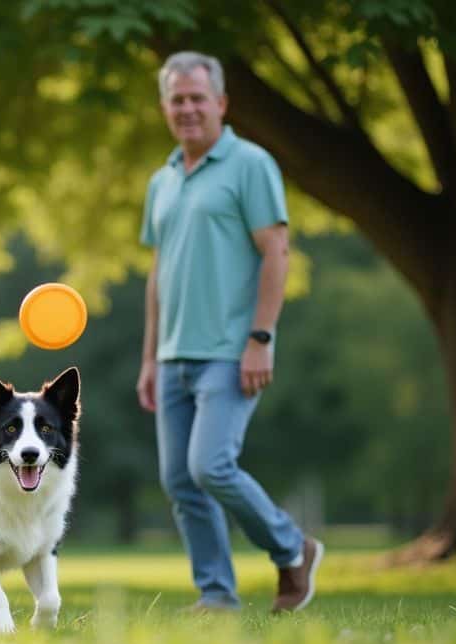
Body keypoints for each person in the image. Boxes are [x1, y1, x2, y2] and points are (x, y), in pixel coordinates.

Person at [136, 52, 323, 613]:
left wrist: (260, 338)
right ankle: (217, 595)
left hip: (231, 351)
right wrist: (149, 358)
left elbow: (277, 252)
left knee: (210, 465)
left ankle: (293, 547)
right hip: (172, 357)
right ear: (165, 107)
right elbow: (158, 275)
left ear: (220, 103)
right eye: (177, 99)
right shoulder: (162, 180)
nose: (188, 109)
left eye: (198, 98)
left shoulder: (250, 164)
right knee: (181, 483)